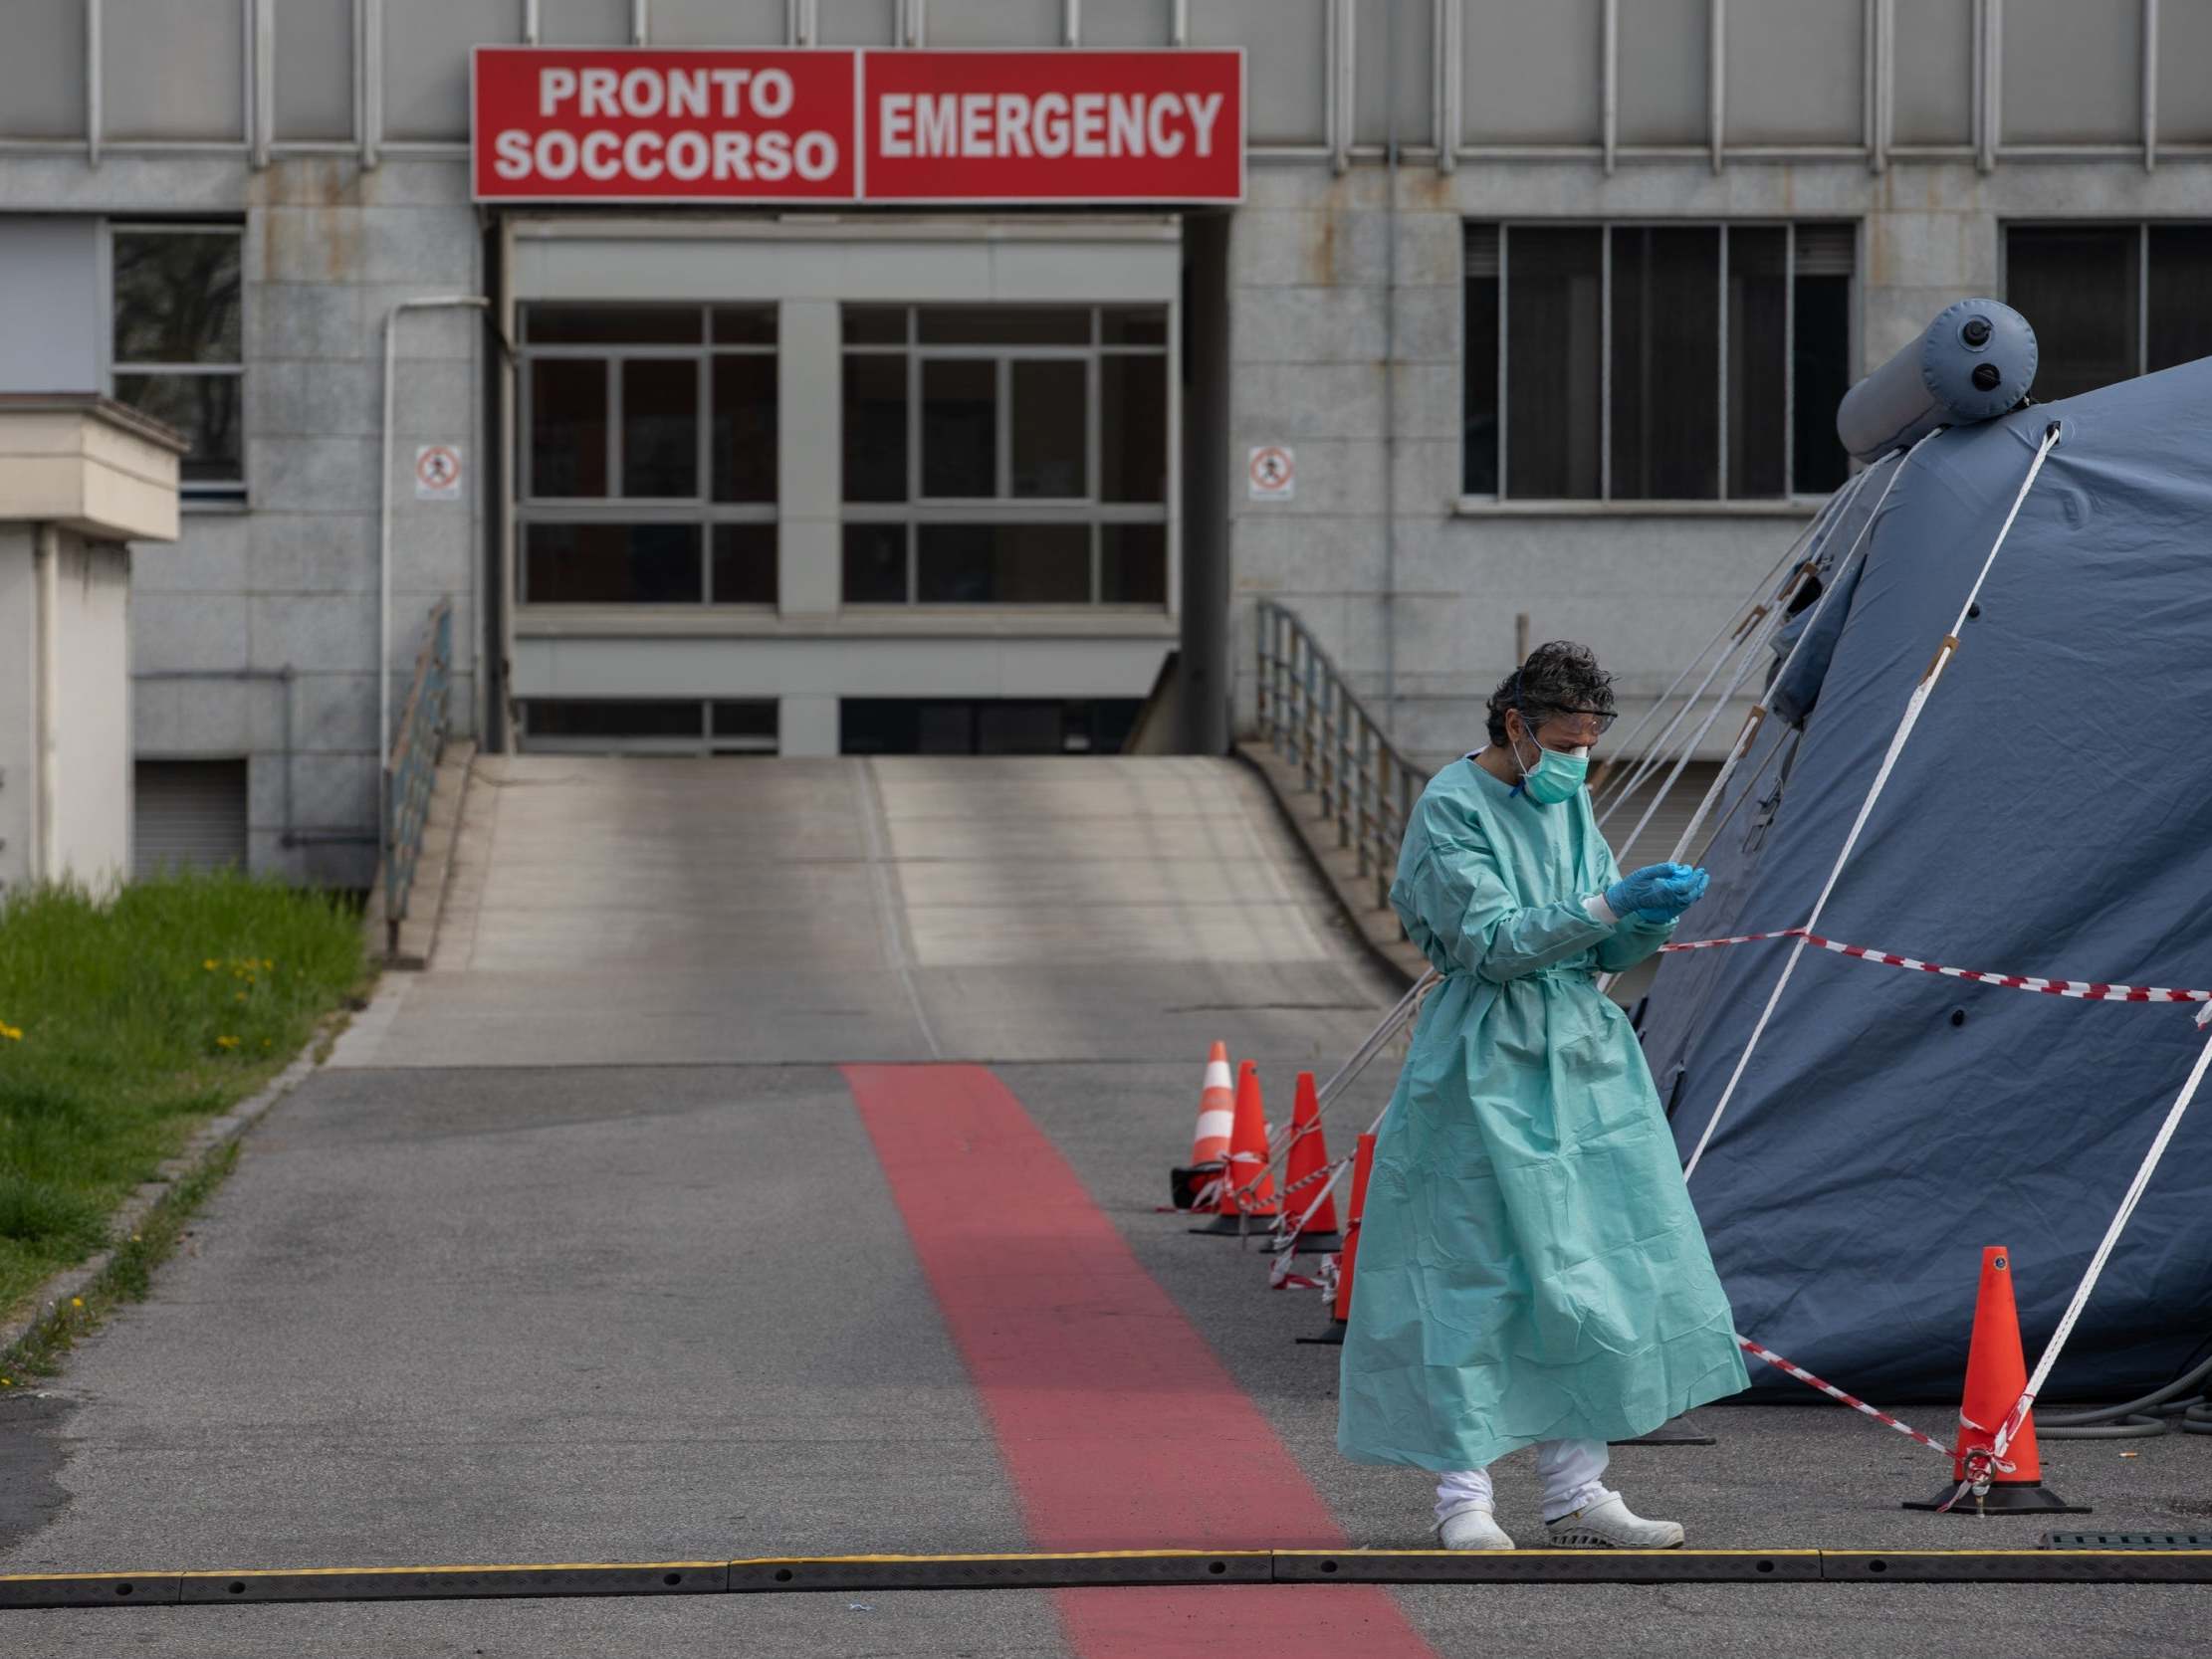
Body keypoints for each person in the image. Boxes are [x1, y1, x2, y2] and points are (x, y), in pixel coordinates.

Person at [1336, 641, 1748, 1551]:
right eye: (1564, 741)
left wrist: (1643, 916)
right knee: (1468, 1275)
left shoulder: (1570, 805)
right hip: (1484, 1063)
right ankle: (1463, 1497)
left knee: (1584, 1270)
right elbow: (1492, 942)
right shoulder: (1451, 807)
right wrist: (1605, 910)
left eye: (1589, 744)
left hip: (1580, 1060)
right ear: (1516, 725)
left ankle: (1577, 1490)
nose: (1577, 761)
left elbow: (1596, 951)